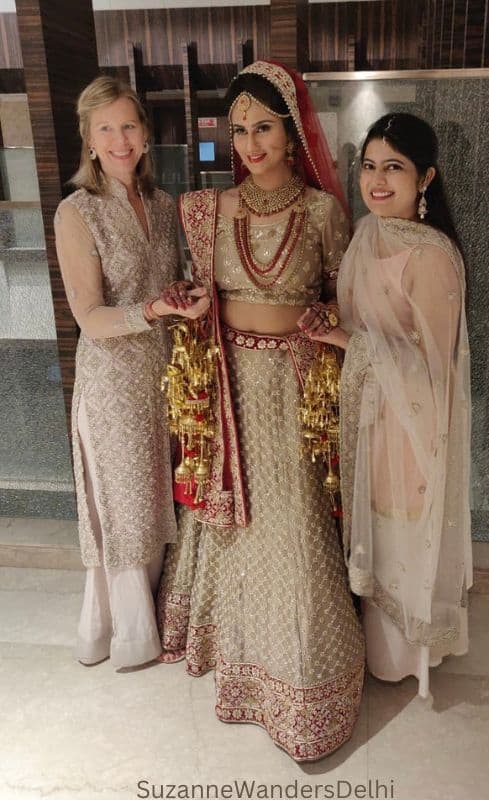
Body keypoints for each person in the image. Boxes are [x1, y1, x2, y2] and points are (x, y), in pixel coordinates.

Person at [156, 60, 365, 761]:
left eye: (264, 127)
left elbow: (345, 297)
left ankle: (301, 672)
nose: (249, 142)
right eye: (238, 128)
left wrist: (324, 319)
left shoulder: (322, 211)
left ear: (292, 129)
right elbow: (200, 293)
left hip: (295, 385)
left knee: (295, 518)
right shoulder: (205, 210)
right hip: (230, 384)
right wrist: (189, 306)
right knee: (233, 519)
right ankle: (232, 650)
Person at [310, 113, 472, 698]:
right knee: (370, 524)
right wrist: (333, 326)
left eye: (394, 168)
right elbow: (360, 320)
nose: (378, 181)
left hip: (410, 421)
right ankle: (381, 645)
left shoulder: (431, 256)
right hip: (366, 412)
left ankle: (408, 654)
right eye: (369, 166)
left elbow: (432, 369)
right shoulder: (363, 233)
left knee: (399, 529)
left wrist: (347, 342)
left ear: (425, 177)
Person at [54, 76, 209, 670]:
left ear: (145, 133)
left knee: (157, 497)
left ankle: (156, 617)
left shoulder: (165, 204)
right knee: (123, 504)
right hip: (113, 380)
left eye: (129, 126)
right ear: (89, 141)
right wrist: (153, 310)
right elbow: (90, 317)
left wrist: (187, 297)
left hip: (165, 376)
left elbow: (170, 285)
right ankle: (128, 634)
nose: (120, 140)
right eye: (105, 129)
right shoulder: (78, 212)